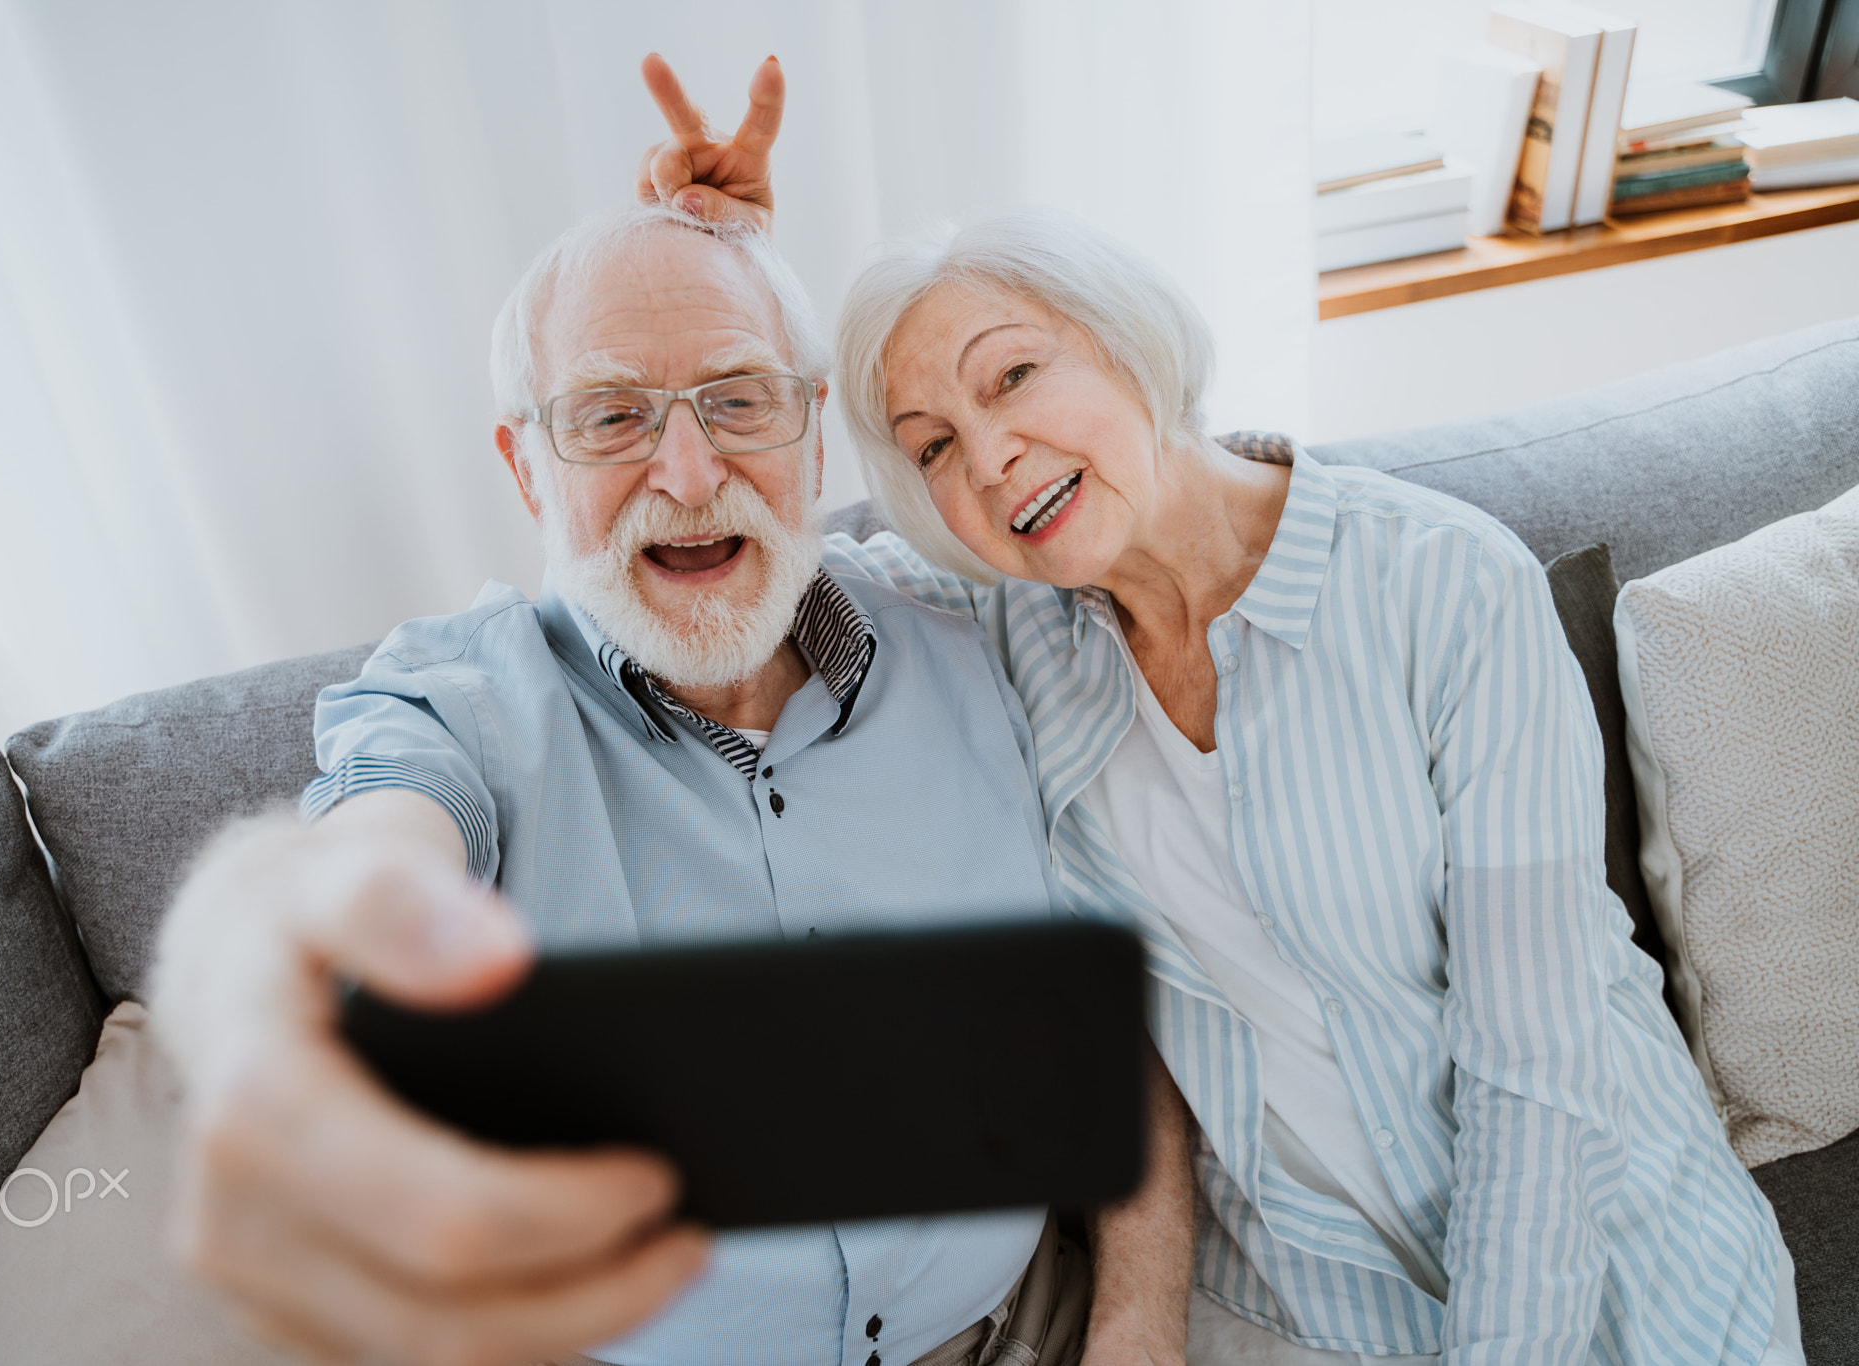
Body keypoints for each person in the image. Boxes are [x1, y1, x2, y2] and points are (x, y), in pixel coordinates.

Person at [637, 57, 1806, 1366]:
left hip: (1613, 1275)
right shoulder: (1004, 627)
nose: (990, 455)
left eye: (1014, 375)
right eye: (931, 445)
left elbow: (1537, 1071)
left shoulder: (1442, 584)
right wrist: (723, 284)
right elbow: (749, 563)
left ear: (1124, 337)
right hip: (1309, 1297)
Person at [153, 191, 1194, 1366]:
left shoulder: (971, 626)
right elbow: (350, 867)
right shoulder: (462, 706)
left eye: (738, 398)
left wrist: (1137, 1320)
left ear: (809, 433)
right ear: (525, 465)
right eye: (609, 414)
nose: (690, 472)